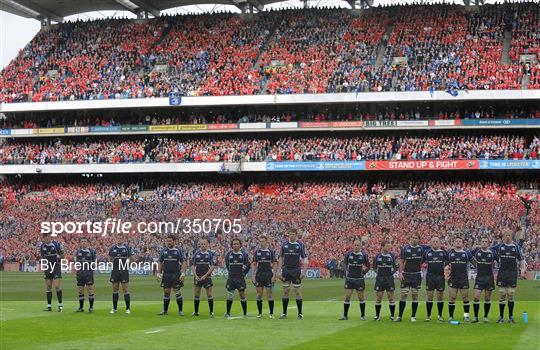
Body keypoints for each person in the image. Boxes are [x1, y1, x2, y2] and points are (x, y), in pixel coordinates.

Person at [492, 231, 523, 323]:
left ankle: (510, 317)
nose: (508, 237)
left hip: (512, 273)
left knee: (511, 294)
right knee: (502, 294)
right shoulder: (499, 246)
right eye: (506, 235)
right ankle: (501, 317)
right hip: (502, 273)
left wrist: (522, 270)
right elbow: (490, 250)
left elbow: (521, 259)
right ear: (503, 237)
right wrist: (496, 259)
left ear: (512, 236)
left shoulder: (515, 247)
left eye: (509, 235)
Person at [396, 234, 427, 322]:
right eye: (413, 237)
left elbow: (426, 257)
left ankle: (413, 316)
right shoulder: (405, 248)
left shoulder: (422, 248)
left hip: (416, 275)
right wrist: (400, 273)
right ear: (410, 239)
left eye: (416, 237)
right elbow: (401, 261)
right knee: (404, 295)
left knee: (415, 296)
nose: (414, 239)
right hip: (406, 274)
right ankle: (400, 316)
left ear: (419, 240)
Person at [279, 229, 307, 320]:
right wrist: (280, 270)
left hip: (296, 270)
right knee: (286, 291)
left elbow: (304, 258)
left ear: (296, 235)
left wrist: (304, 271)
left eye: (293, 234)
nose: (291, 236)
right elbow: (280, 257)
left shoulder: (300, 244)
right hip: (286, 270)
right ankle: (284, 313)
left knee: (297, 291)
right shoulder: (284, 244)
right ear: (288, 235)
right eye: (290, 234)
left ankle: (300, 313)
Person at [339, 239, 370, 320]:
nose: (356, 246)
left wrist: (363, 273)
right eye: (355, 245)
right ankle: (345, 316)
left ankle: (363, 316)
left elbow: (368, 265)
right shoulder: (348, 254)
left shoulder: (363, 254)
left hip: (359, 279)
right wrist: (346, 271)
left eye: (358, 245)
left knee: (361, 297)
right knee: (347, 297)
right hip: (349, 279)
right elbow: (344, 263)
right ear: (353, 245)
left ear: (360, 246)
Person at [156, 234, 187, 316]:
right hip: (166, 274)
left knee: (177, 292)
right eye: (167, 241)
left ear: (174, 241)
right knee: (166, 292)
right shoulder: (164, 250)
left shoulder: (178, 250)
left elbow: (184, 261)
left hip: (176, 274)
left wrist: (183, 273)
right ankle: (165, 310)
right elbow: (160, 261)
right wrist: (158, 272)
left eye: (170, 241)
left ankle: (180, 310)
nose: (168, 242)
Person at [471, 237, 498, 323]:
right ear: (480, 242)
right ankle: (475, 317)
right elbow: (467, 255)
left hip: (489, 278)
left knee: (487, 298)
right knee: (476, 297)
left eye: (486, 241)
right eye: (482, 241)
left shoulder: (492, 252)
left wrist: (497, 272)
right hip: (479, 278)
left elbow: (499, 260)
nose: (484, 243)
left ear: (488, 243)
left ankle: (485, 316)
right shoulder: (476, 251)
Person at [447, 237, 473, 322]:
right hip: (453, 278)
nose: (458, 242)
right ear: (453, 243)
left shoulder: (466, 253)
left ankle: (466, 316)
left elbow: (475, 262)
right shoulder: (450, 253)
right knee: (452, 298)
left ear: (462, 243)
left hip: (463, 278)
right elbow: (444, 264)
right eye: (456, 241)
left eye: (459, 241)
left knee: (465, 298)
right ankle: (451, 316)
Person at [252, 235, 278, 319]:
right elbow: (254, 263)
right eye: (260, 241)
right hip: (259, 275)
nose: (261, 243)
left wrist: (274, 275)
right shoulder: (257, 252)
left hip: (268, 274)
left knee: (269, 295)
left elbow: (274, 263)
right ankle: (259, 313)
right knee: (259, 295)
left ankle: (271, 314)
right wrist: (253, 275)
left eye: (263, 241)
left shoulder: (270, 251)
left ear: (266, 242)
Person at [422, 237, 447, 322]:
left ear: (439, 243)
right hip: (430, 277)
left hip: (440, 277)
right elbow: (421, 262)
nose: (435, 243)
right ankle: (428, 316)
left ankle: (440, 316)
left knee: (440, 297)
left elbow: (448, 261)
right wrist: (423, 270)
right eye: (433, 241)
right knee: (430, 297)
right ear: (431, 243)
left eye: (437, 241)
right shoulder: (427, 252)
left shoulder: (443, 252)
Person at [373, 240, 399, 321]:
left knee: (391, 297)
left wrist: (391, 273)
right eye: (387, 246)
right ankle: (377, 316)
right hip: (380, 279)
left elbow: (396, 266)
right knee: (379, 297)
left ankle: (392, 316)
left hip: (389, 279)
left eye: (389, 246)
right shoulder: (377, 256)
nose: (388, 248)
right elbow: (374, 267)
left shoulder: (392, 255)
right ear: (382, 246)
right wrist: (379, 273)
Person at [224, 238, 250, 318]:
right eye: (234, 244)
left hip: (240, 278)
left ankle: (245, 313)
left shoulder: (244, 254)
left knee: (242, 295)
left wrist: (243, 274)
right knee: (230, 295)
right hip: (231, 278)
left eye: (237, 244)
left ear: (240, 245)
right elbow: (227, 265)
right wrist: (231, 272)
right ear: (232, 245)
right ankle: (228, 313)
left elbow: (247, 265)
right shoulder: (229, 254)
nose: (235, 245)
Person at [191, 238, 216, 318]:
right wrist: (195, 275)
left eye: (204, 244)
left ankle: (211, 312)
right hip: (197, 277)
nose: (203, 245)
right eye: (201, 244)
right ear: (200, 245)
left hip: (207, 277)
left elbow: (212, 266)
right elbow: (193, 265)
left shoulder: (210, 254)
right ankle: (196, 311)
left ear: (207, 245)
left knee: (209, 295)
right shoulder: (196, 253)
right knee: (196, 294)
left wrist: (206, 275)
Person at [109, 235, 134, 314]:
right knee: (115, 289)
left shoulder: (127, 248)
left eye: (120, 238)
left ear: (123, 239)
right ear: (116, 239)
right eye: (118, 238)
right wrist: (110, 262)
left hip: (124, 271)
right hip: (115, 271)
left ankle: (128, 309)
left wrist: (128, 261)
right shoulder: (113, 248)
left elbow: (132, 257)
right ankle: (114, 308)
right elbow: (110, 257)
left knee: (125, 289)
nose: (119, 239)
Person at [40, 233, 64, 312]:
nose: (47, 238)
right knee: (48, 286)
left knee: (57, 286)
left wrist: (59, 257)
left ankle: (60, 305)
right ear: (44, 238)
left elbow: (62, 256)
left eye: (48, 237)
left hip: (56, 267)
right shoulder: (42, 246)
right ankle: (49, 306)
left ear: (50, 237)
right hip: (48, 267)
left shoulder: (56, 244)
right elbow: (43, 256)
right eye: (45, 237)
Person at [74, 237, 97, 313]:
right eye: (82, 241)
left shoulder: (92, 251)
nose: (83, 242)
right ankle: (81, 307)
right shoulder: (78, 252)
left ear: (87, 243)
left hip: (88, 273)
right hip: (80, 274)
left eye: (85, 241)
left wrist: (91, 268)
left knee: (90, 290)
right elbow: (76, 262)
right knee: (80, 291)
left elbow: (95, 262)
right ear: (80, 243)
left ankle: (91, 307)